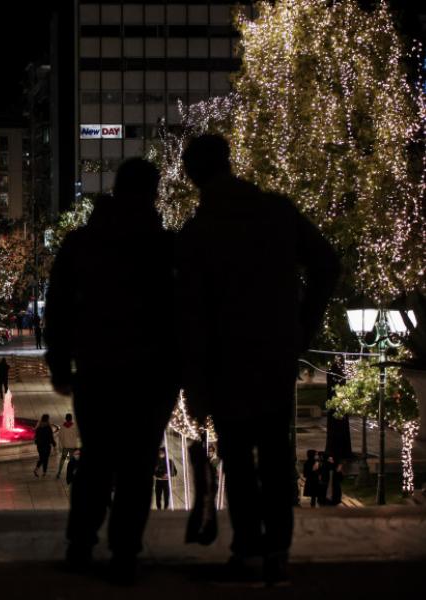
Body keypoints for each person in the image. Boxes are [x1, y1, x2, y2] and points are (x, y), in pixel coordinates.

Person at [176, 134, 339, 585]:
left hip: (225, 360)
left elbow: (190, 315)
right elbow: (327, 263)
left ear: (193, 175)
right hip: (274, 353)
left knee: (239, 460)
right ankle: (277, 552)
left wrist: (193, 381)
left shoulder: (199, 232)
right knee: (273, 452)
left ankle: (248, 548)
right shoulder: (277, 212)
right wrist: (303, 326)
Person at [45, 158, 179, 583]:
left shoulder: (83, 242)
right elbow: (181, 313)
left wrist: (60, 363)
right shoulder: (162, 245)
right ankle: (123, 553)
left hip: (98, 368)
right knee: (138, 466)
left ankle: (81, 546)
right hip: (150, 374)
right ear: (151, 194)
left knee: (98, 461)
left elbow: (59, 308)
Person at [56, 413, 80, 479]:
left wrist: (60, 446)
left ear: (66, 418)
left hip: (65, 446)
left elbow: (60, 437)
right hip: (72, 446)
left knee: (62, 459)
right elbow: (77, 435)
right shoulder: (74, 426)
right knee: (72, 460)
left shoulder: (62, 427)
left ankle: (59, 473)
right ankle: (73, 472)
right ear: (71, 418)